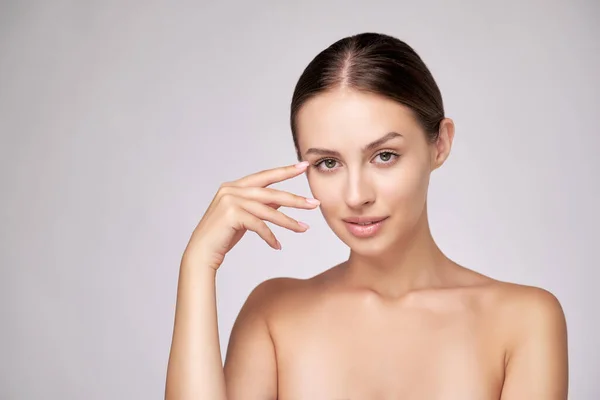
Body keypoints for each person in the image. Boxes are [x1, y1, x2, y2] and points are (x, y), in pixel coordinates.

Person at [164, 32, 568, 400]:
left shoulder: (524, 321)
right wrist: (198, 264)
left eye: (384, 156)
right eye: (327, 163)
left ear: (439, 144)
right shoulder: (273, 313)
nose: (356, 196)